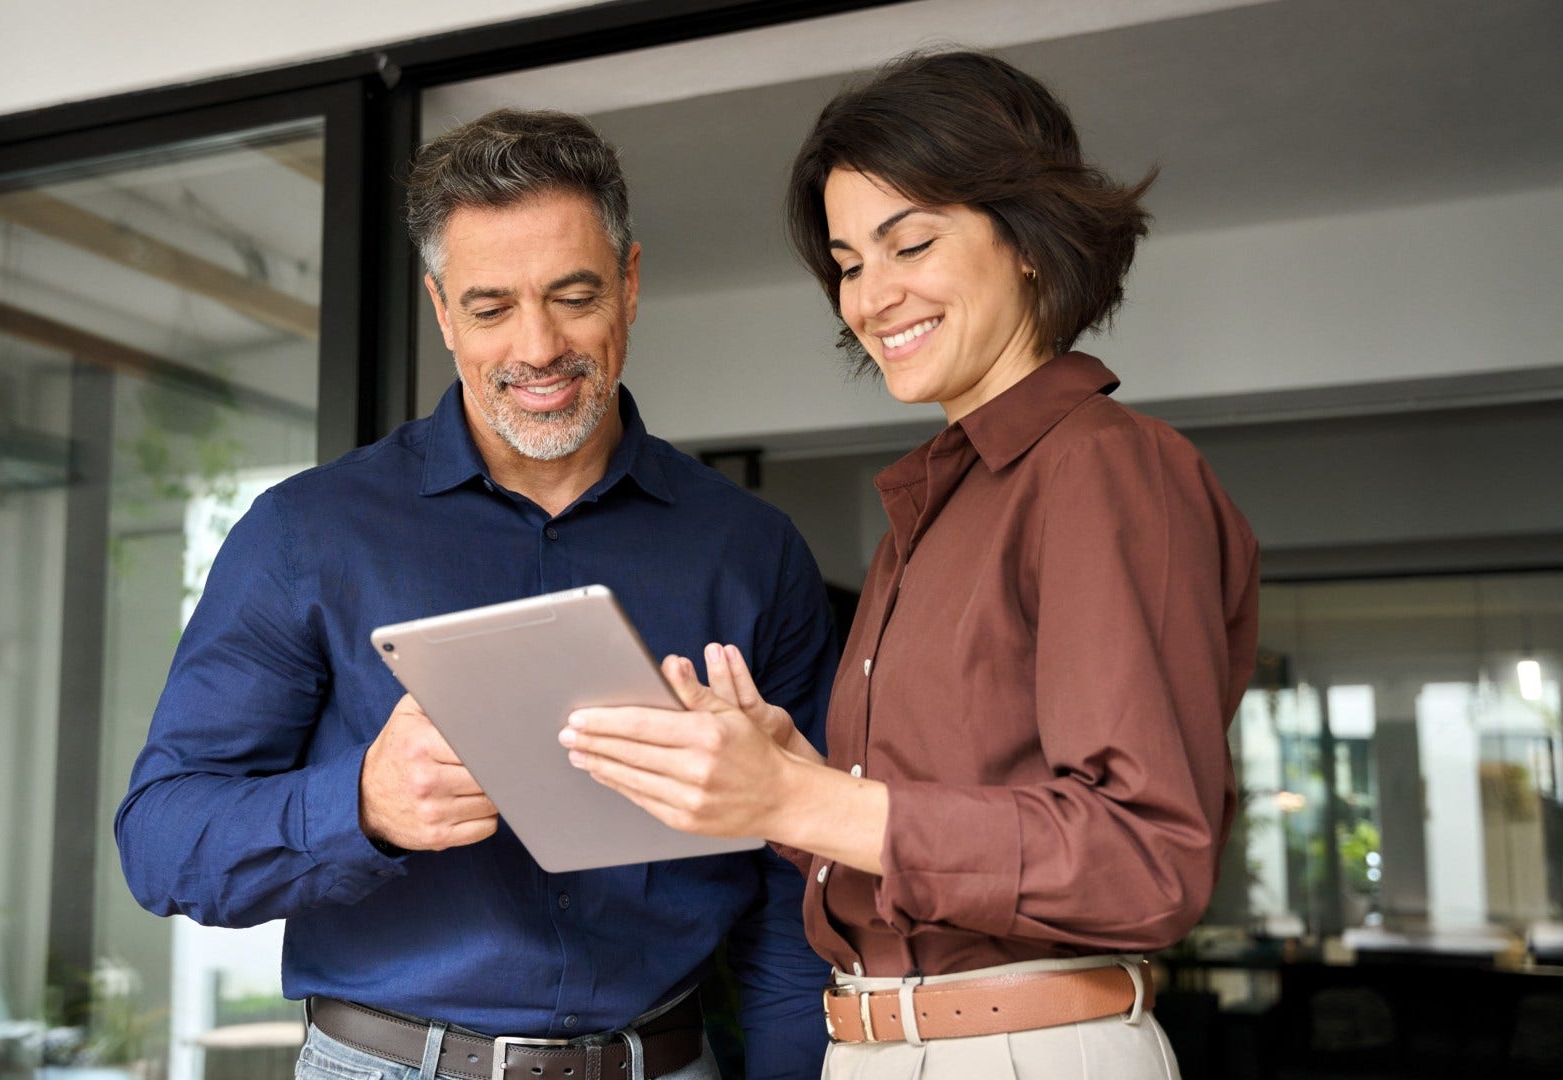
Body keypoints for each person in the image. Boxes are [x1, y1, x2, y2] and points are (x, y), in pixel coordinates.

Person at [558, 50, 1260, 1079]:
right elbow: (922, 843)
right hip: (892, 1041)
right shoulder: (933, 509)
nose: (871, 296)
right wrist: (788, 776)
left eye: (911, 243)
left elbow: (1145, 854)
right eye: (848, 264)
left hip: (1021, 1049)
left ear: (1029, 240)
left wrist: (801, 802)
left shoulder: (1102, 466)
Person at [115, 108, 836, 1080]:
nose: (538, 347)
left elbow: (799, 883)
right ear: (442, 310)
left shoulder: (751, 550)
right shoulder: (305, 534)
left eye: (573, 296)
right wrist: (360, 805)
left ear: (629, 284)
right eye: (491, 308)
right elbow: (160, 841)